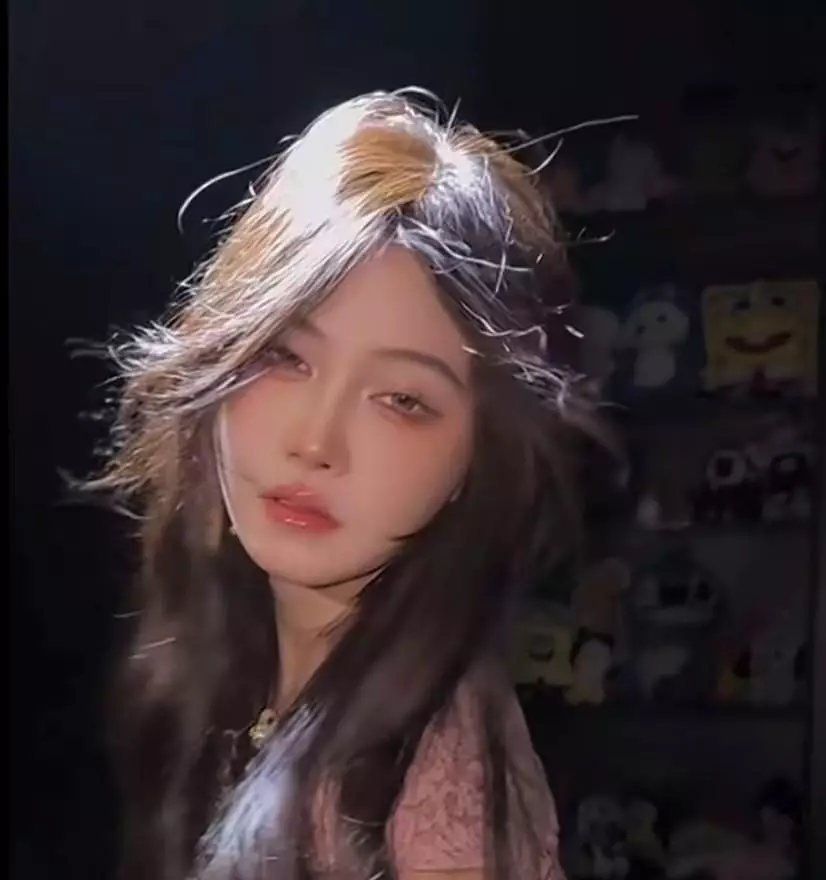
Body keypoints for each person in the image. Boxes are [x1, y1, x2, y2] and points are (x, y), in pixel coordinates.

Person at [85, 89, 613, 880]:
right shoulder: (248, 673)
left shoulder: (435, 774)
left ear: (477, 461)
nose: (315, 442)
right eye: (284, 357)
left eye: (402, 401)